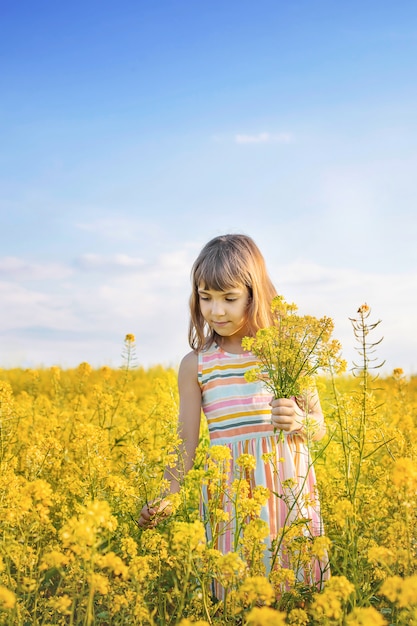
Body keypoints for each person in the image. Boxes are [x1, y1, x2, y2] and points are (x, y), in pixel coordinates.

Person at [138, 233, 329, 587]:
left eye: (229, 298)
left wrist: (300, 420)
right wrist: (166, 498)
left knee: (298, 593)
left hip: (289, 498)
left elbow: (320, 426)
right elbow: (186, 445)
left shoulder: (286, 350)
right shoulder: (197, 364)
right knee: (238, 596)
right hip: (230, 502)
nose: (216, 311)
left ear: (254, 295)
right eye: (205, 297)